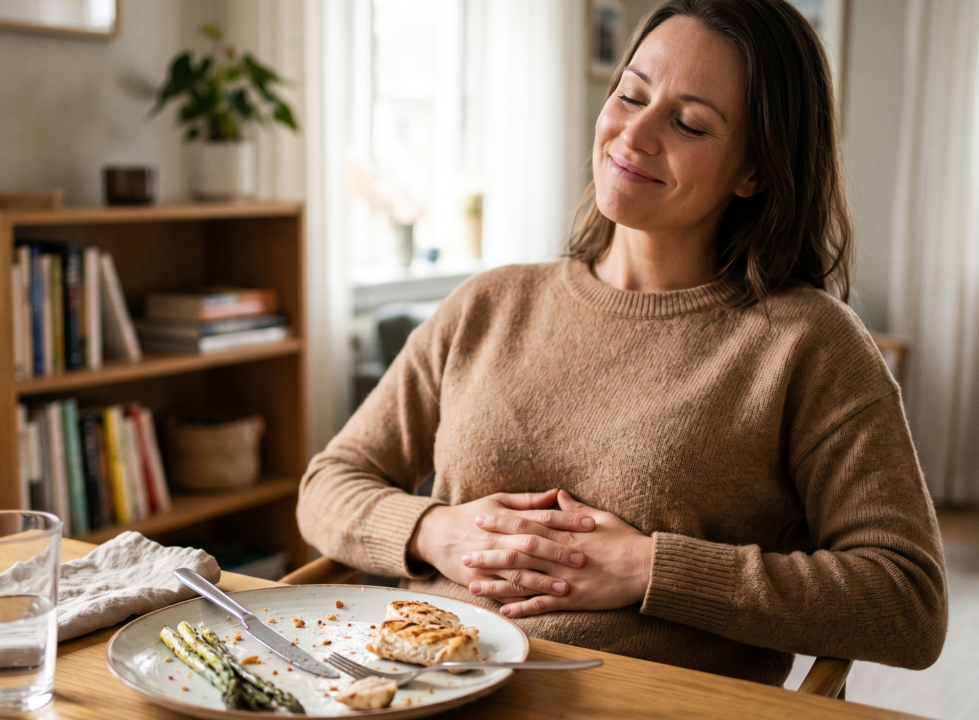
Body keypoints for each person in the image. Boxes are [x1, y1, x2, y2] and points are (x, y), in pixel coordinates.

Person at [296, 0, 947, 686]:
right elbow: (328, 485)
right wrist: (435, 531)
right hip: (427, 688)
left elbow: (907, 602)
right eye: (630, 94)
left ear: (753, 171)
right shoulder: (489, 304)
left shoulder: (808, 344)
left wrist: (650, 569)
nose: (633, 134)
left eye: (689, 123)